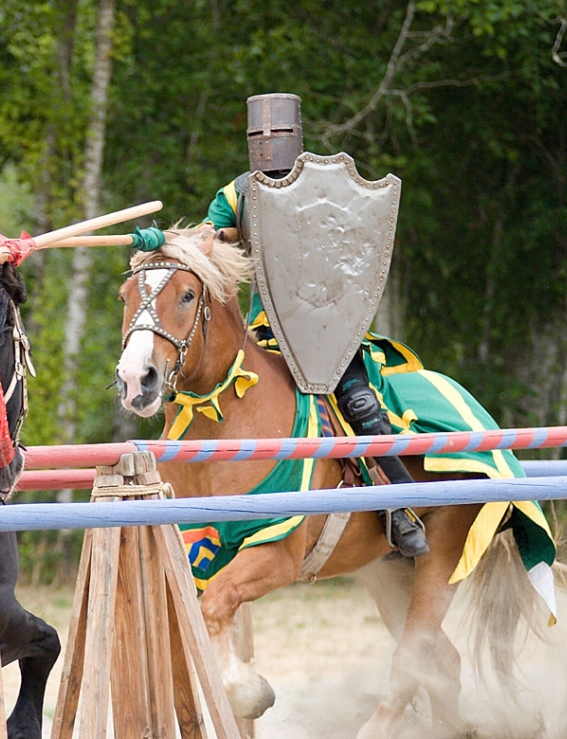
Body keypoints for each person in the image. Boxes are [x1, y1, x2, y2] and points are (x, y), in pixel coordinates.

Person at [135, 93, 429, 558]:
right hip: (266, 331)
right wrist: (170, 240)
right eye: (258, 135)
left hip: (326, 327)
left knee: (359, 401)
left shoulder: (325, 183)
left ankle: (399, 504)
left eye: (277, 134)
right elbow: (214, 237)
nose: (267, 143)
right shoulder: (239, 192)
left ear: (297, 136)